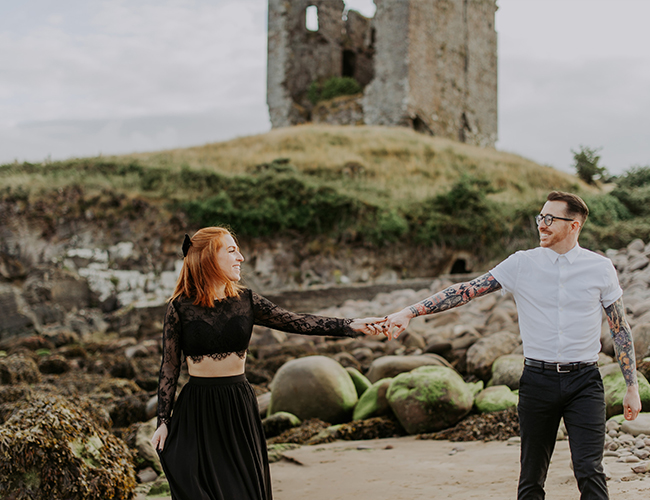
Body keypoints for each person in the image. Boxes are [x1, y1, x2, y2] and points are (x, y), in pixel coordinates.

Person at [380, 191, 641, 500]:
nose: (541, 225)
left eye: (549, 219)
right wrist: (410, 311)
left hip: (585, 383)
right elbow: (467, 290)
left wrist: (631, 386)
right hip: (537, 381)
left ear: (574, 226)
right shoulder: (521, 263)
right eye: (539, 218)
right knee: (531, 476)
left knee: (589, 471)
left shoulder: (599, 268)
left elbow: (619, 327)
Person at [150, 227, 382, 500]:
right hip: (197, 410)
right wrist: (163, 420)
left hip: (237, 407)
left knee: (243, 490)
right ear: (208, 258)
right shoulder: (179, 308)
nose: (242, 258)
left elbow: (297, 321)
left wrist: (350, 325)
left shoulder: (246, 301)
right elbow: (169, 366)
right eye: (232, 250)